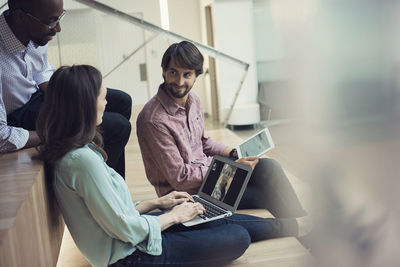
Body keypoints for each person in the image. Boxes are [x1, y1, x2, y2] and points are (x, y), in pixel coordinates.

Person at [36, 64, 303, 267]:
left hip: (132, 236)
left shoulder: (77, 153)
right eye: (102, 97)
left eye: (188, 74)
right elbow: (124, 228)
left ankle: (298, 225)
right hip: (129, 255)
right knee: (236, 236)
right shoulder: (81, 161)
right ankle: (297, 226)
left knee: (215, 215)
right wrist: (175, 216)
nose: (106, 103)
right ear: (83, 105)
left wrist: (158, 205)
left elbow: (114, 213)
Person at [137, 41, 307, 218]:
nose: (179, 82)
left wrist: (233, 153)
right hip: (186, 197)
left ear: (196, 76)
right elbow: (180, 178)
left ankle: (302, 223)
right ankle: (303, 227)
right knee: (267, 193)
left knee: (268, 167)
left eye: (187, 74)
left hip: (212, 179)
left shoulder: (193, 100)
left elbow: (203, 142)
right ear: (164, 71)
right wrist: (229, 168)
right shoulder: (153, 120)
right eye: (173, 73)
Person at [0, 0, 131, 178]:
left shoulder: (35, 31)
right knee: (118, 127)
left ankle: (110, 182)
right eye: (51, 21)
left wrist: (68, 93)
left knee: (122, 101)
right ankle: (98, 185)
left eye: (59, 18)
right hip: (21, 117)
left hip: (40, 97)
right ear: (21, 16)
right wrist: (56, 132)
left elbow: (41, 71)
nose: (58, 28)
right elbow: (1, 136)